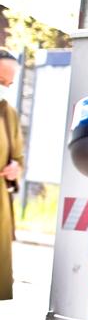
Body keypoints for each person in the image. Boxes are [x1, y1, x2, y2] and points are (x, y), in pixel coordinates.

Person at [0, 50, 22, 302]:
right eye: (0, 80)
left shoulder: (9, 114)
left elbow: (18, 156)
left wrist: (15, 168)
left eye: (9, 83)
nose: (4, 88)